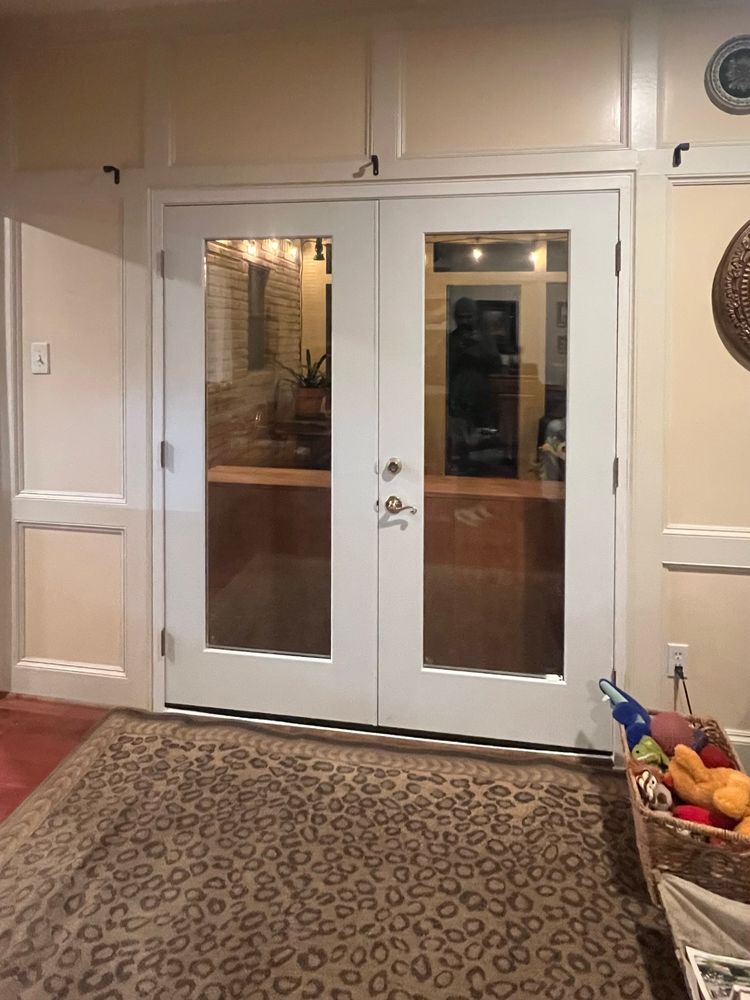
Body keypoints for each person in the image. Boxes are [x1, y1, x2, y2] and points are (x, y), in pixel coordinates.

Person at [446, 298, 505, 476]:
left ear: (475, 317)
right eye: (461, 317)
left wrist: (478, 348)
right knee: (460, 441)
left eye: (468, 317)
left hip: (482, 395)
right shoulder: (452, 340)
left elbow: (497, 366)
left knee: (485, 439)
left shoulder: (485, 339)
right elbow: (443, 368)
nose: (465, 321)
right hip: (459, 394)